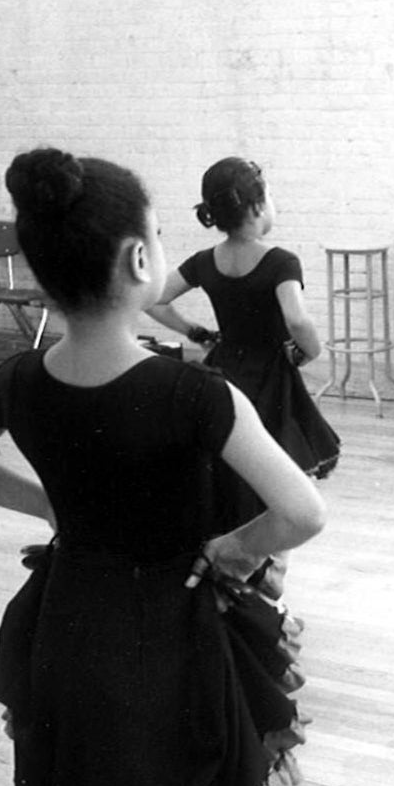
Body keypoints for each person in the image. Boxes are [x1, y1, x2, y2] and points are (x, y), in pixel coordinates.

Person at [0, 147, 326, 786]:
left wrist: (53, 507)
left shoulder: (20, 377)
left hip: (65, 629)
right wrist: (236, 547)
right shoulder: (197, 394)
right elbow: (302, 511)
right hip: (172, 638)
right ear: (140, 258)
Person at [147, 157, 340, 533]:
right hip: (270, 376)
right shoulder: (281, 261)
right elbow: (297, 318)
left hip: (224, 369)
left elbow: (152, 299)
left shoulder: (205, 260)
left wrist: (194, 331)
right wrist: (311, 352)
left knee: (229, 455)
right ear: (256, 206)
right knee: (272, 465)